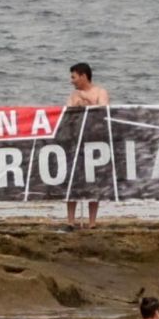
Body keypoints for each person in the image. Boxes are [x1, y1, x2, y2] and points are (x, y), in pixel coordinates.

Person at [63, 62, 109, 228]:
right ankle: (70, 220)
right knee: (73, 182)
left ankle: (92, 222)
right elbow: (67, 112)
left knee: (94, 182)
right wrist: (77, 104)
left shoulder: (100, 91)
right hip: (77, 142)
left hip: (95, 141)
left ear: (83, 76)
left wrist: (87, 102)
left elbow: (102, 110)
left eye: (74, 77)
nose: (72, 81)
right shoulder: (74, 95)